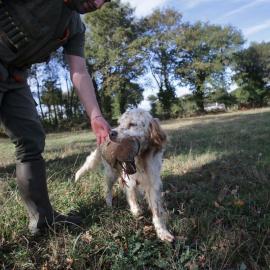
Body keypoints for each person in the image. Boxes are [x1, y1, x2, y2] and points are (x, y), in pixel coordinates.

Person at [0, 0, 111, 233]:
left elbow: (79, 71)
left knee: (31, 139)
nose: (98, 3)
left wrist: (95, 115)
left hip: (15, 76)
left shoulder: (75, 27)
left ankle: (42, 219)